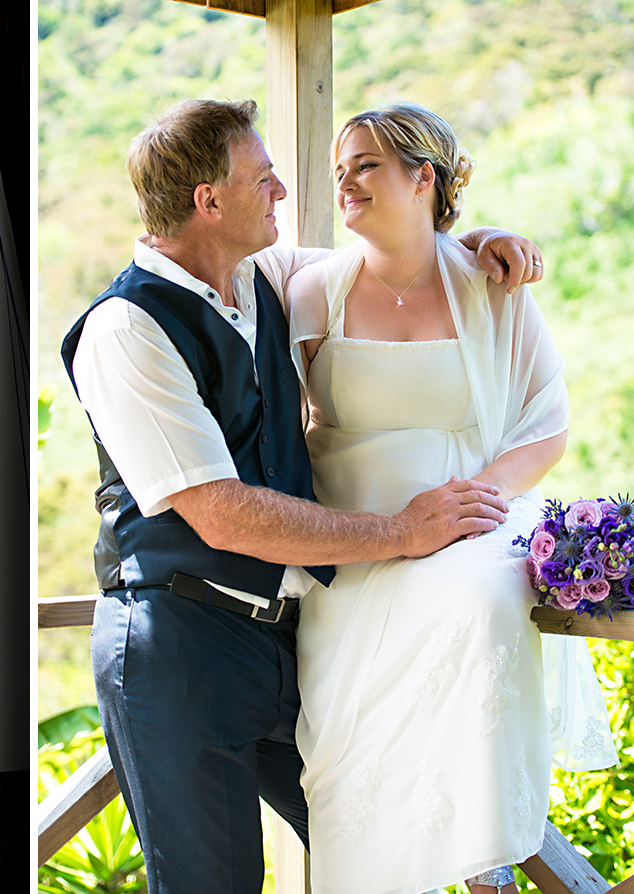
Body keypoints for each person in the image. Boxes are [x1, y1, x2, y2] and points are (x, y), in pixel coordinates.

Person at [60, 98, 543, 894]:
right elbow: (219, 509)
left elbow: (400, 251)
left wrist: (481, 242)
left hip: (287, 643)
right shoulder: (125, 329)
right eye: (265, 179)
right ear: (209, 202)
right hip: (176, 644)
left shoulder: (265, 276)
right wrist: (398, 532)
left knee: (390, 848)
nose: (283, 192)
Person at [287, 102, 615, 894]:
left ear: (422, 177)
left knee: (481, 597)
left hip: (473, 532)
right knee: (354, 749)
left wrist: (483, 497)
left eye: (364, 165)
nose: (345, 183)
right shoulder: (311, 292)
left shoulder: (492, 287)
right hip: (358, 550)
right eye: (340, 170)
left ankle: (485, 865)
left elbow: (547, 422)